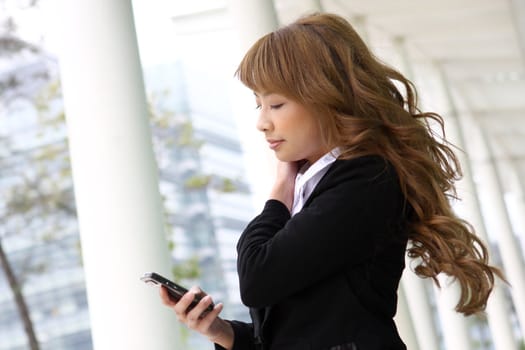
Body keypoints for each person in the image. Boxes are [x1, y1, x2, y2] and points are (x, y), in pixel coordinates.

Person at [159, 12, 505, 350]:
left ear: (324, 98)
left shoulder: (367, 180)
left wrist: (278, 195)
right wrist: (223, 332)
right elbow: (303, 329)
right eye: (258, 105)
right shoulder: (320, 187)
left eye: (276, 104)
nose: (262, 123)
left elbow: (258, 277)